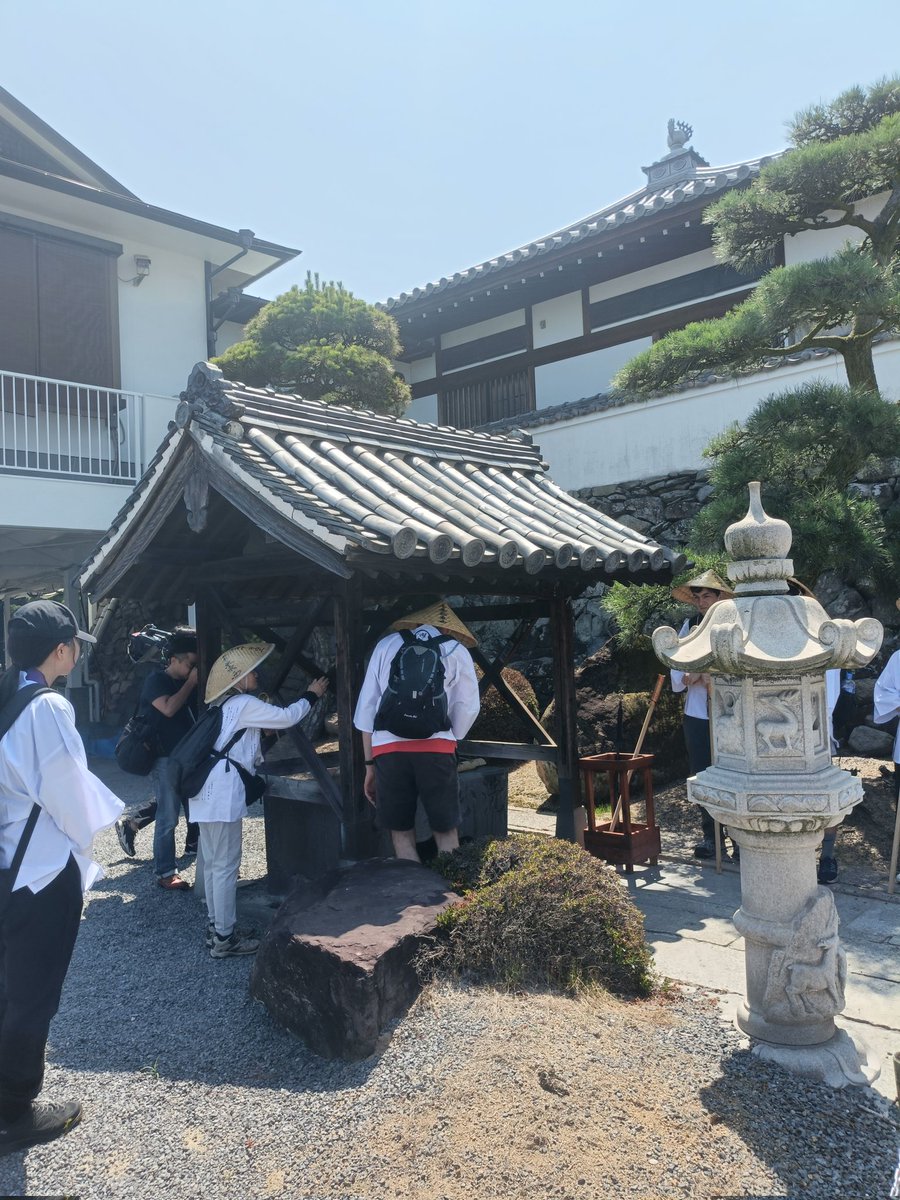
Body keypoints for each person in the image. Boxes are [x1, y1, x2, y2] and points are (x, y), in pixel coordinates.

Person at [0, 600, 123, 1155]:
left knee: (8, 988)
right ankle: (13, 1112)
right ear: (60, 650)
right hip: (39, 874)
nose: (76, 653)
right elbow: (71, 795)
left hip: (6, 865)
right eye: (74, 644)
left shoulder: (6, 695)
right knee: (32, 994)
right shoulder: (46, 706)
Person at [191, 643, 328, 958]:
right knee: (225, 865)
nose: (256, 675)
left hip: (203, 790)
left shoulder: (221, 706)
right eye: (251, 671)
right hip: (220, 793)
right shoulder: (242, 703)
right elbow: (286, 717)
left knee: (214, 864)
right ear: (239, 679)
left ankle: (217, 928)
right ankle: (225, 939)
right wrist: (312, 694)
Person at [354, 601, 481, 863]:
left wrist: (369, 766)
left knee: (400, 831)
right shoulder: (456, 649)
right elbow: (468, 707)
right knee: (445, 829)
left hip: (388, 749)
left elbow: (366, 710)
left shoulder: (386, 645)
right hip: (437, 749)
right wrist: (450, 736)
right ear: (446, 625)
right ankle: (450, 893)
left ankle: (411, 894)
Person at [116, 628, 199, 890]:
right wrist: (191, 683)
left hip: (188, 756)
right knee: (168, 816)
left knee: (194, 807)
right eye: (190, 663)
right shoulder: (157, 681)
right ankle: (165, 872)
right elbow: (168, 708)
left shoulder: (188, 682)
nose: (193, 669)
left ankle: (195, 852)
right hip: (164, 758)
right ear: (173, 659)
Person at [669, 570, 737, 860]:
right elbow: (677, 665)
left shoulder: (734, 625)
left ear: (720, 596)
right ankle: (711, 836)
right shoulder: (691, 625)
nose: (700, 602)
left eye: (706, 595)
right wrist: (692, 674)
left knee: (732, 773)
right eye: (697, 597)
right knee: (701, 772)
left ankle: (738, 836)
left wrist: (710, 675)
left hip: (728, 711)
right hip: (697, 711)